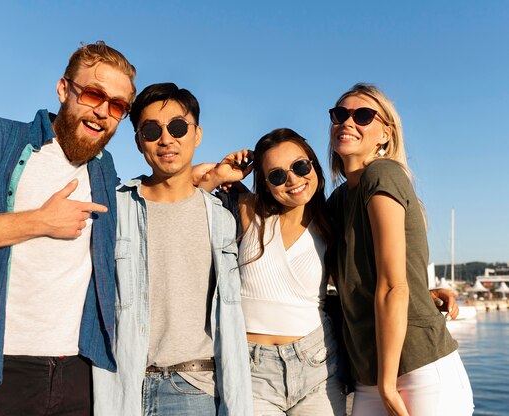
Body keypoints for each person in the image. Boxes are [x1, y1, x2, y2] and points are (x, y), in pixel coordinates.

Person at [0, 41, 136, 415]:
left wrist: (201, 179)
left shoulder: (104, 168)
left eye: (117, 105)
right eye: (94, 93)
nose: (102, 111)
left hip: (79, 369)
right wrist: (39, 221)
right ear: (64, 89)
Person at [91, 82, 252, 415]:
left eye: (178, 127)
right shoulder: (113, 208)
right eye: (151, 130)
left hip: (192, 388)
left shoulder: (221, 218)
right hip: (121, 386)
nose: (166, 139)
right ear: (138, 141)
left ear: (197, 134)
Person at [326, 83, 474, 415]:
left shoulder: (382, 174)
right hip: (373, 377)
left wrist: (388, 385)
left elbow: (394, 285)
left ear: (385, 134)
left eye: (363, 115)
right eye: (340, 114)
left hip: (416, 372)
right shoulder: (339, 200)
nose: (348, 122)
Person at [200, 129, 347, 415]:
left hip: (318, 363)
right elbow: (183, 206)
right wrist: (217, 177)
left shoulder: (331, 223)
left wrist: (420, 294)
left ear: (314, 165)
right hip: (251, 368)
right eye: (277, 175)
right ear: (266, 184)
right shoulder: (245, 209)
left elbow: (359, 282)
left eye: (300, 166)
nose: (292, 179)